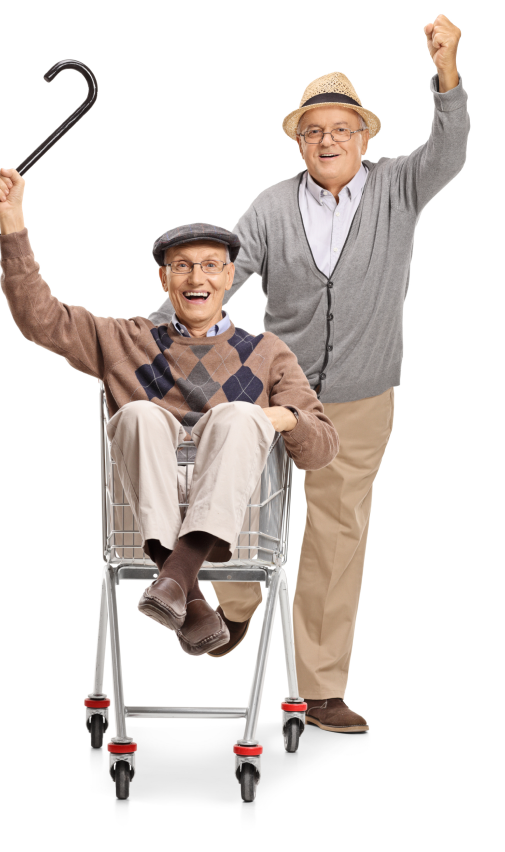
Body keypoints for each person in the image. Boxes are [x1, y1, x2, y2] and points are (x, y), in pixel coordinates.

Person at [151, 15, 468, 730]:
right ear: (299, 140)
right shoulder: (270, 206)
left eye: (342, 129)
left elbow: (450, 151)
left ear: (365, 138)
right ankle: (233, 609)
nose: (328, 142)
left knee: (336, 533)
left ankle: (320, 687)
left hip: (360, 397)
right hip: (272, 393)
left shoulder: (399, 189)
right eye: (314, 131)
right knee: (238, 502)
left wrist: (447, 74)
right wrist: (154, 339)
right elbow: (216, 280)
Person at [0, 171, 339, 656]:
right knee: (137, 415)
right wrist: (11, 222)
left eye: (212, 266)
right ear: (164, 278)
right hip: (150, 502)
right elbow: (41, 318)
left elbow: (322, 447)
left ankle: (175, 577)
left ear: (230, 278)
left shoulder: (268, 353)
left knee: (237, 416)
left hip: (241, 513)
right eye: (182, 266)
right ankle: (186, 591)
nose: (197, 278)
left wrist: (283, 418)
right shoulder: (127, 341)